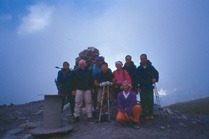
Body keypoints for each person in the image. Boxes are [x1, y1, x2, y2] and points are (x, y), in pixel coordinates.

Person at [136, 54, 159, 120]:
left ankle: (151, 113)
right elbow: (136, 78)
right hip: (142, 87)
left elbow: (156, 74)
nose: (143, 60)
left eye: (144, 58)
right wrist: (137, 86)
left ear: (146, 58)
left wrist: (155, 79)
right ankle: (145, 114)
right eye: (141, 58)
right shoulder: (139, 69)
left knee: (150, 100)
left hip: (149, 86)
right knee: (143, 100)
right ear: (140, 59)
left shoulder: (151, 67)